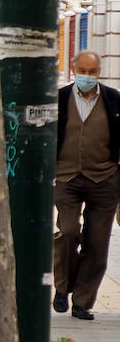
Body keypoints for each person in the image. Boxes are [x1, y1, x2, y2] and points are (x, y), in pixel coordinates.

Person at [54, 50, 120, 321]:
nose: (88, 76)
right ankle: (62, 288)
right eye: (83, 71)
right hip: (67, 177)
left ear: (99, 72)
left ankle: (82, 301)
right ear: (74, 70)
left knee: (97, 242)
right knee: (67, 231)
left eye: (93, 72)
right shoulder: (59, 99)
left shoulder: (114, 100)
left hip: (104, 178)